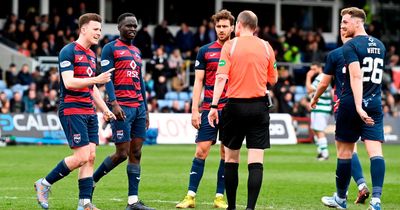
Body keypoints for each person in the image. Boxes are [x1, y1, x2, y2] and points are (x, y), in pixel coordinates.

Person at [34, 13, 115, 210]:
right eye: (95, 29)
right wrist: (96, 80)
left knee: (91, 155)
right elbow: (69, 82)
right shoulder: (68, 51)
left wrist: (104, 109)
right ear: (83, 29)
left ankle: (84, 203)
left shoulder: (90, 54)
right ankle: (44, 183)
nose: (99, 33)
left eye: (100, 30)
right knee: (81, 157)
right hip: (72, 108)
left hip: (88, 110)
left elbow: (91, 88)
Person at [208, 10, 278, 210]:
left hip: (235, 107)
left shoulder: (231, 45)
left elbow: (221, 77)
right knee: (256, 160)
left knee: (231, 159)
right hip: (259, 107)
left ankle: (231, 207)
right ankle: (250, 208)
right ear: (255, 28)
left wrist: (213, 106)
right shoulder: (266, 46)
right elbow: (273, 79)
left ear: (238, 25)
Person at [320, 7, 385, 210]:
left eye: (345, 23)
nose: (342, 27)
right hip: (375, 103)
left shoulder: (350, 46)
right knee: (376, 152)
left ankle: (340, 198)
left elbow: (356, 76)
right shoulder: (380, 45)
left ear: (358, 22)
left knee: (345, 152)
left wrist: (358, 106)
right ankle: (376, 200)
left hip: (351, 104)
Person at [93, 13, 154, 210]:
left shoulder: (136, 51)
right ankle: (91, 181)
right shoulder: (110, 48)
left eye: (135, 26)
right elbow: (107, 77)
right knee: (121, 153)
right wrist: (114, 103)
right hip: (122, 107)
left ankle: (133, 201)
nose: (133, 29)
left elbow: (140, 81)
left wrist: (146, 108)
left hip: (138, 108)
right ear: (119, 27)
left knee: (136, 152)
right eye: (129, 25)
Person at [175, 9, 235, 209]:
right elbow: (198, 82)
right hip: (208, 108)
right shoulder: (205, 50)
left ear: (232, 27)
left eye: (225, 26)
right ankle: (190, 196)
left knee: (226, 154)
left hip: (231, 109)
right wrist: (194, 110)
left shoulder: (237, 50)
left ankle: (219, 197)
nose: (221, 29)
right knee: (201, 151)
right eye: (218, 26)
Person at [310, 28, 370, 204]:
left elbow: (323, 83)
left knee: (345, 151)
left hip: (344, 105)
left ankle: (345, 195)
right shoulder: (366, 54)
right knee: (357, 149)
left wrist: (314, 98)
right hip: (366, 103)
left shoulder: (336, 54)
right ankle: (368, 192)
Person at [305, 62, 332, 161]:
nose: (312, 71)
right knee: (315, 130)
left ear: (319, 68)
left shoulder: (321, 77)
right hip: (319, 107)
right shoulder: (321, 77)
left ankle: (325, 154)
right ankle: (321, 151)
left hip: (321, 108)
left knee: (319, 131)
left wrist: (308, 76)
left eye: (314, 69)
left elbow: (309, 89)